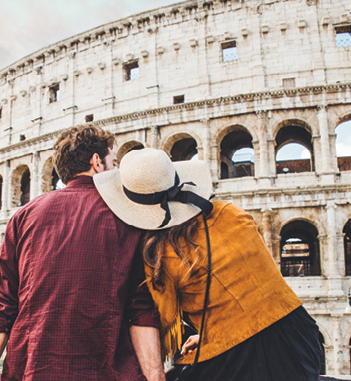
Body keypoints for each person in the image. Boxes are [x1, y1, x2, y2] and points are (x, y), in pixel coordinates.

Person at [94, 148, 322, 381]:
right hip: (299, 339)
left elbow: (163, 319)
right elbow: (248, 284)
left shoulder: (162, 254)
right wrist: (212, 334)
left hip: (239, 359)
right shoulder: (231, 212)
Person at [0, 126, 165, 381]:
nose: (115, 170)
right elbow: (140, 311)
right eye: (112, 162)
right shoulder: (128, 217)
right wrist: (157, 377)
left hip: (31, 371)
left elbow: (2, 309)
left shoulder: (23, 217)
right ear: (97, 163)